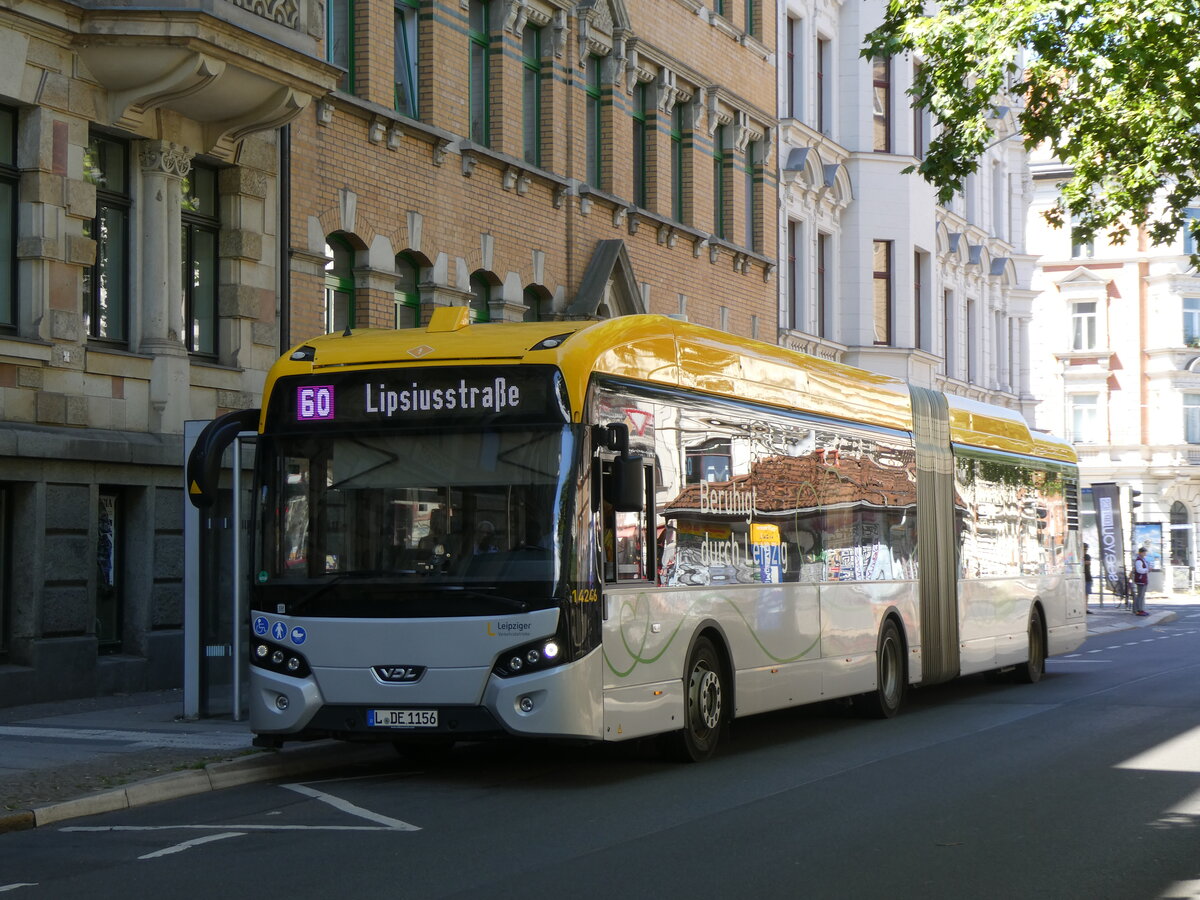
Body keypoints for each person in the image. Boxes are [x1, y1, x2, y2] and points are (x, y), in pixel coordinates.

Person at [1132, 546, 1150, 616]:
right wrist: (1146, 570)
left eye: (1145, 552)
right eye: (1144, 552)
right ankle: (1139, 610)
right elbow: (1139, 570)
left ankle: (1141, 609)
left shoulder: (1143, 560)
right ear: (1141, 553)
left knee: (1142, 595)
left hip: (1143, 579)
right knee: (1140, 595)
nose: (1145, 553)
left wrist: (1147, 570)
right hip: (1140, 579)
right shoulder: (1139, 560)